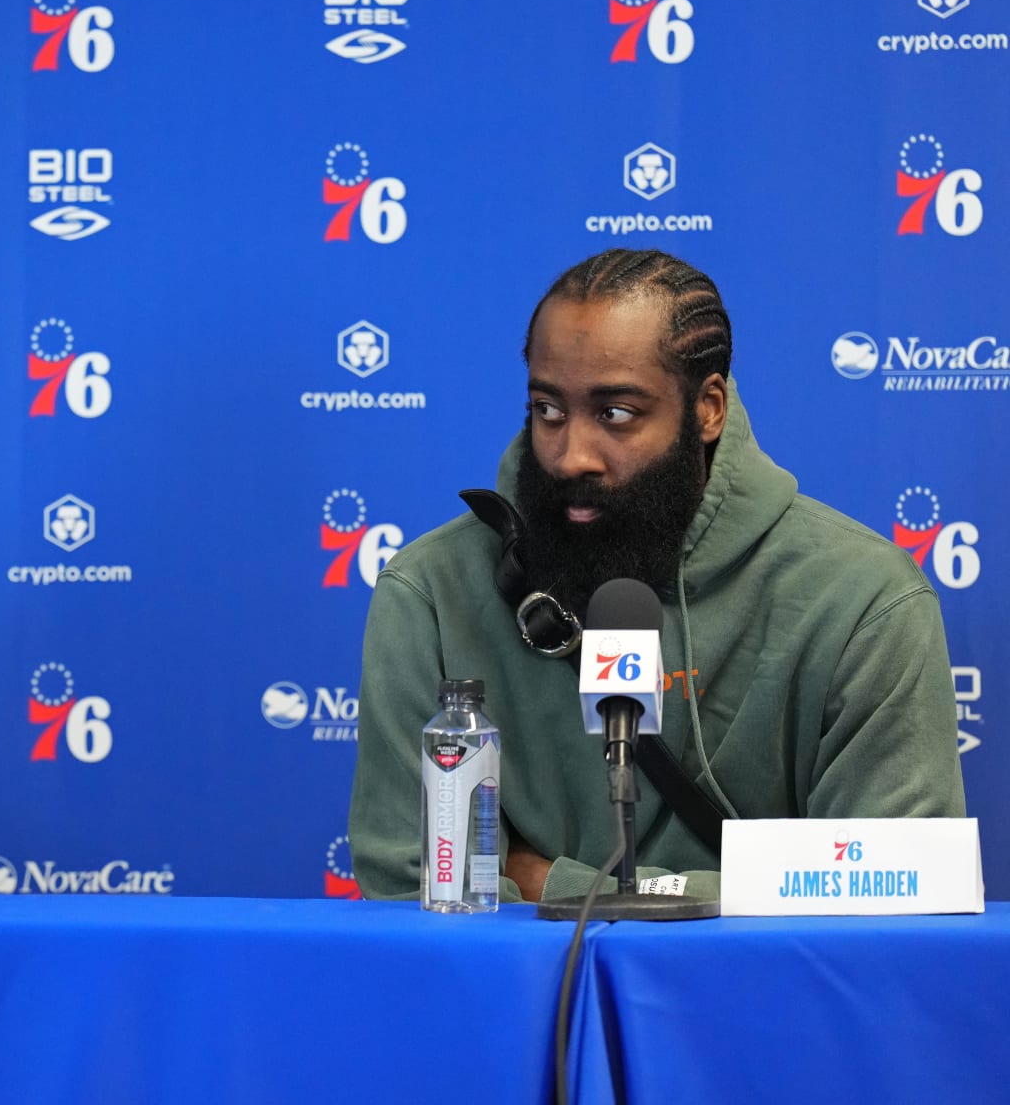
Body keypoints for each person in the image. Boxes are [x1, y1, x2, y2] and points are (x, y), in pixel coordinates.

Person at [349, 249, 965, 902]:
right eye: (548, 410)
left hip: (767, 1004)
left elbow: (897, 890)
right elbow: (407, 883)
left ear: (708, 408)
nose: (571, 455)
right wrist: (758, 890)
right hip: (517, 1005)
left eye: (616, 414)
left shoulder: (865, 598)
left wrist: (550, 883)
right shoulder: (431, 592)